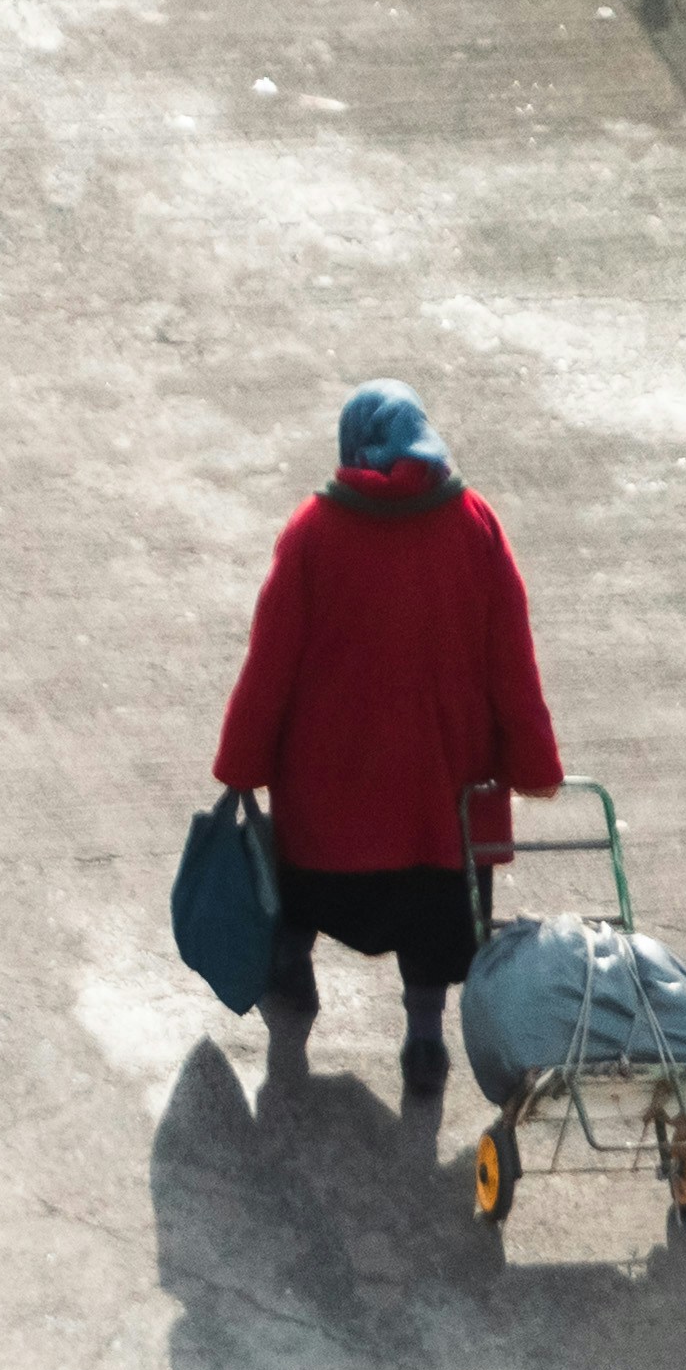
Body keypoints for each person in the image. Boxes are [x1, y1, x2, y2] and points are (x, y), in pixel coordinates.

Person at [210, 383, 562, 1084]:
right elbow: (510, 662)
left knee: (302, 893)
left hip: (331, 803)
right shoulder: (473, 524)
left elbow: (270, 662)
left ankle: (290, 977)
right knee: (432, 924)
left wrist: (241, 761)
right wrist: (532, 763)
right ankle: (424, 1040)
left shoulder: (312, 531)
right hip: (441, 803)